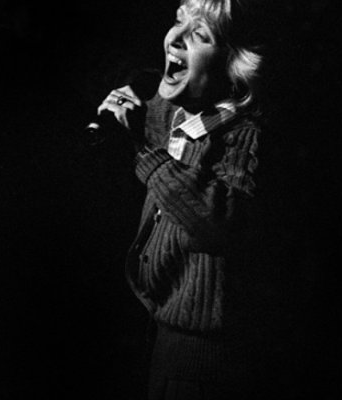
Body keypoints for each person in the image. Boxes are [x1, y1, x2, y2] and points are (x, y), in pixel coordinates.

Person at [98, 0, 264, 398]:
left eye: (199, 35)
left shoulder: (246, 135)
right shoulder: (174, 112)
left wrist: (141, 152)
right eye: (178, 23)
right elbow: (151, 114)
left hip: (204, 366)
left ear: (233, 66)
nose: (174, 39)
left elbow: (218, 221)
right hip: (161, 341)